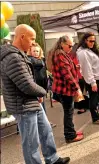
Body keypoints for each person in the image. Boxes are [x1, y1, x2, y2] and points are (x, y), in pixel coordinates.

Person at [0, 24, 70, 164]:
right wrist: (43, 92)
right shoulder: (13, 57)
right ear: (22, 37)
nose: (33, 43)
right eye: (32, 39)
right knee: (31, 143)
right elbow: (27, 85)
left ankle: (52, 158)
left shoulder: (18, 55)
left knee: (46, 131)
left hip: (29, 102)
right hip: (23, 106)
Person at [49, 35, 84, 143]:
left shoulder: (61, 53)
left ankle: (71, 132)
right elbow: (66, 74)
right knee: (68, 112)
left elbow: (66, 69)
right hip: (65, 89)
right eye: (69, 45)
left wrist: (74, 67)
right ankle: (70, 135)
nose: (71, 47)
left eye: (72, 46)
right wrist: (77, 88)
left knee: (69, 112)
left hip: (64, 88)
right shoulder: (60, 54)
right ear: (62, 44)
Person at [76, 33, 99, 125]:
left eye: (94, 41)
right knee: (93, 98)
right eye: (91, 41)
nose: (93, 43)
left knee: (96, 97)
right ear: (85, 40)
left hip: (96, 77)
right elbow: (87, 68)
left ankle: (96, 113)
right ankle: (95, 118)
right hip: (92, 79)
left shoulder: (88, 50)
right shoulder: (83, 52)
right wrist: (93, 82)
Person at [27, 43, 56, 128]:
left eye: (37, 51)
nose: (35, 52)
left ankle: (45, 123)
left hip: (41, 87)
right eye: (34, 51)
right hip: (36, 87)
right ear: (30, 52)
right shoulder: (31, 59)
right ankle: (45, 124)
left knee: (42, 107)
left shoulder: (40, 60)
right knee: (40, 107)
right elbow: (40, 64)